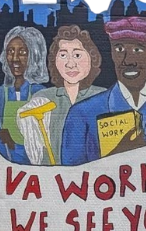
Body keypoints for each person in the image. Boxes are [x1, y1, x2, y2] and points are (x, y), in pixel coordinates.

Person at [59, 16, 146, 166]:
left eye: (138, 49)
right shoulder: (81, 116)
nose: (128, 60)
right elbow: (70, 183)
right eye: (119, 49)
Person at [16, 25, 106, 166]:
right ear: (54, 61)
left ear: (91, 58)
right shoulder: (43, 98)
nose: (70, 64)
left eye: (77, 55)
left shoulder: (104, 97)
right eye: (63, 55)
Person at [0, 26, 49, 164]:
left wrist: (13, 145)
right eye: (10, 51)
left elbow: (46, 146)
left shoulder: (42, 96)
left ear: (34, 56)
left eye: (22, 52)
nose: (15, 59)